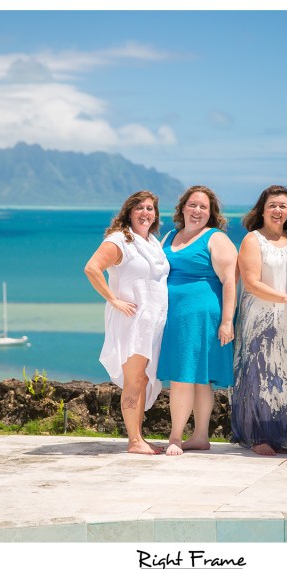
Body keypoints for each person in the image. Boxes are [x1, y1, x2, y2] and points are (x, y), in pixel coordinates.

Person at [83, 190, 169, 455]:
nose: (146, 213)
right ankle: (134, 441)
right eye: (140, 208)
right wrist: (113, 300)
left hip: (151, 323)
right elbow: (92, 268)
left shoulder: (152, 243)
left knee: (142, 379)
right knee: (134, 380)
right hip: (131, 321)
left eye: (150, 209)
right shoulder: (120, 240)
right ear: (129, 212)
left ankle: (139, 437)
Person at [231, 185, 287, 455]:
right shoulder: (253, 240)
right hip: (262, 319)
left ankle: (285, 435)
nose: (278, 211)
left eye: (283, 206)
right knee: (261, 374)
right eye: (273, 206)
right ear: (262, 211)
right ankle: (258, 436)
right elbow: (252, 283)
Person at [157, 185, 238, 456]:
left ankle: (176, 437)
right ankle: (200, 437)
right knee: (198, 378)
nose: (197, 211)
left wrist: (227, 321)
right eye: (193, 205)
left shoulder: (215, 238)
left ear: (211, 212)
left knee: (185, 376)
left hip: (201, 316)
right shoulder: (170, 236)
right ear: (182, 208)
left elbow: (230, 280)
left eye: (204, 207)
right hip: (174, 316)